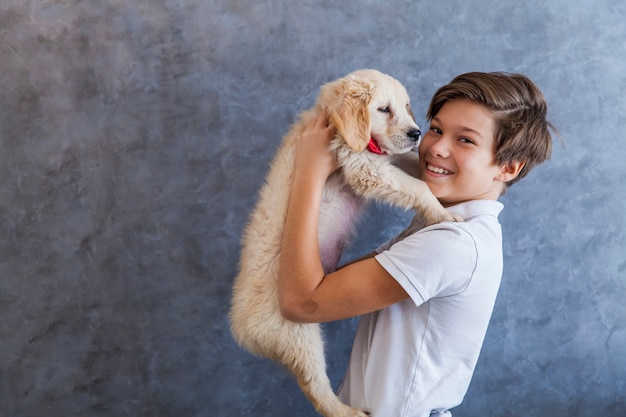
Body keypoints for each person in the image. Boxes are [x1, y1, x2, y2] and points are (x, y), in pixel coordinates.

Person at [277, 72, 557, 416]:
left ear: (509, 167)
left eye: (465, 141)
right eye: (437, 129)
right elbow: (328, 286)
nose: (436, 147)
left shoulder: (453, 245)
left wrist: (310, 172)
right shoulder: (447, 230)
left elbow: (302, 303)